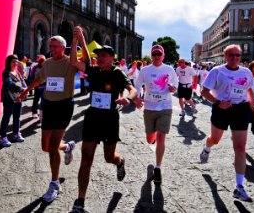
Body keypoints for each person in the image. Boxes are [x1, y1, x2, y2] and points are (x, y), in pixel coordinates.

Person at [69, 29, 138, 213]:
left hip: (109, 119)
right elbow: (74, 61)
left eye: (104, 55)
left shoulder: (116, 73)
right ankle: (80, 202)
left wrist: (128, 99)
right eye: (98, 55)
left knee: (109, 157)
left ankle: (119, 162)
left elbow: (133, 89)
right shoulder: (93, 70)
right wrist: (76, 39)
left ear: (112, 58)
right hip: (92, 117)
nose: (99, 58)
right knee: (86, 159)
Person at [21, 34, 83, 203]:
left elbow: (85, 61)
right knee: (45, 147)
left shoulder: (70, 63)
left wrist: (78, 39)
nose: (52, 48)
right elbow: (38, 79)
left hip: (64, 106)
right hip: (48, 105)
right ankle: (68, 147)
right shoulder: (47, 63)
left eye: (55, 46)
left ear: (63, 48)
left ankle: (54, 183)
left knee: (53, 146)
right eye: (51, 46)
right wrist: (26, 91)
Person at [200, 44, 254, 202]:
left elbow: (249, 90)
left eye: (238, 55)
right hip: (222, 109)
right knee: (215, 140)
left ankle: (239, 187)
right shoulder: (217, 71)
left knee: (240, 148)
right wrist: (218, 102)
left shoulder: (246, 72)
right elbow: (204, 92)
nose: (235, 58)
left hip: (240, 110)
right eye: (231, 55)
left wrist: (253, 105)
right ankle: (207, 147)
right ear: (225, 56)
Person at [134, 45, 178, 185]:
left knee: (161, 136)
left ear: (163, 56)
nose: (157, 56)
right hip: (150, 107)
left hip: (165, 106)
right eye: (155, 54)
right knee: (149, 138)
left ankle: (158, 168)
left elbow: (175, 86)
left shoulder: (169, 69)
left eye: (159, 54)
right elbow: (137, 85)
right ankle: (151, 141)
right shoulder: (145, 70)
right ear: (151, 55)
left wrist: (173, 88)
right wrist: (137, 98)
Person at [0, 55, 27, 147]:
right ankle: (3, 137)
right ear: (9, 62)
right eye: (13, 61)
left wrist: (26, 89)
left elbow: (22, 81)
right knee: (6, 117)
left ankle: (16, 133)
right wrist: (21, 89)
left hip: (18, 97)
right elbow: (9, 83)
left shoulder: (17, 71)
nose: (15, 63)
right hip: (9, 98)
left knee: (17, 116)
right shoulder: (6, 72)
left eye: (16, 61)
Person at [30, 55, 46, 120]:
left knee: (43, 100)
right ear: (40, 62)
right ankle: (34, 112)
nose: (44, 63)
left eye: (45, 61)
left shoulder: (46, 68)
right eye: (43, 61)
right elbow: (33, 77)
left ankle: (41, 114)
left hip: (44, 86)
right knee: (36, 99)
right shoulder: (36, 68)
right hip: (37, 86)